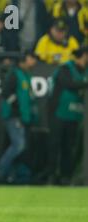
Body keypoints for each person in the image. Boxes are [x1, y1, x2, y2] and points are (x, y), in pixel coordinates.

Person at [0, 51, 38, 183]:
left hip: (23, 117)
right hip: (14, 116)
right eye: (32, 58)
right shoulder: (14, 74)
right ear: (24, 60)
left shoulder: (26, 74)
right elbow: (6, 93)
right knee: (18, 145)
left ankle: (11, 173)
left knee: (19, 146)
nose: (34, 62)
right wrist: (16, 107)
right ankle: (0, 170)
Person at [47, 46, 88, 185]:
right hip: (59, 113)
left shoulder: (85, 71)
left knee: (69, 147)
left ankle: (66, 176)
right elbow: (69, 83)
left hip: (75, 115)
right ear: (83, 55)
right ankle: (52, 175)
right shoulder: (65, 69)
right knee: (54, 144)